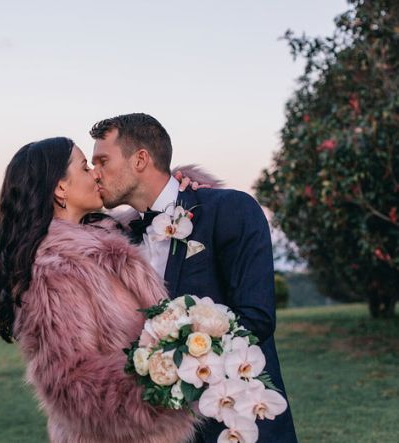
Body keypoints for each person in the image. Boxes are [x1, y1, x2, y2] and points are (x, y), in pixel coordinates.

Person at [90, 113, 298, 443]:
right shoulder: (118, 242)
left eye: (102, 160)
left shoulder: (230, 209)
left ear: (140, 159)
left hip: (240, 422)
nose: (95, 173)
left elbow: (256, 319)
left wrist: (166, 359)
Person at [0, 137, 200, 443]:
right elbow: (69, 380)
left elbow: (154, 214)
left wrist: (176, 186)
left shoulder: (107, 238)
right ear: (61, 188)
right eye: (85, 167)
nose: (95, 174)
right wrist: (166, 383)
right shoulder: (55, 270)